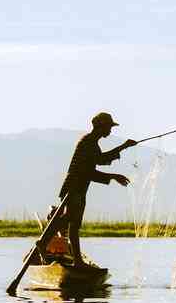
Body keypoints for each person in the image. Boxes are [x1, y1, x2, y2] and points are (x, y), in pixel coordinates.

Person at [58, 112, 137, 268]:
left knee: (73, 223)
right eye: (109, 127)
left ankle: (77, 261)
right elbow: (88, 172)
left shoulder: (92, 143)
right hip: (74, 187)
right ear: (100, 127)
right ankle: (74, 259)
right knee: (72, 221)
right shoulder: (88, 143)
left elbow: (100, 160)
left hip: (79, 188)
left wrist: (124, 146)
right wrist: (114, 176)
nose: (110, 130)